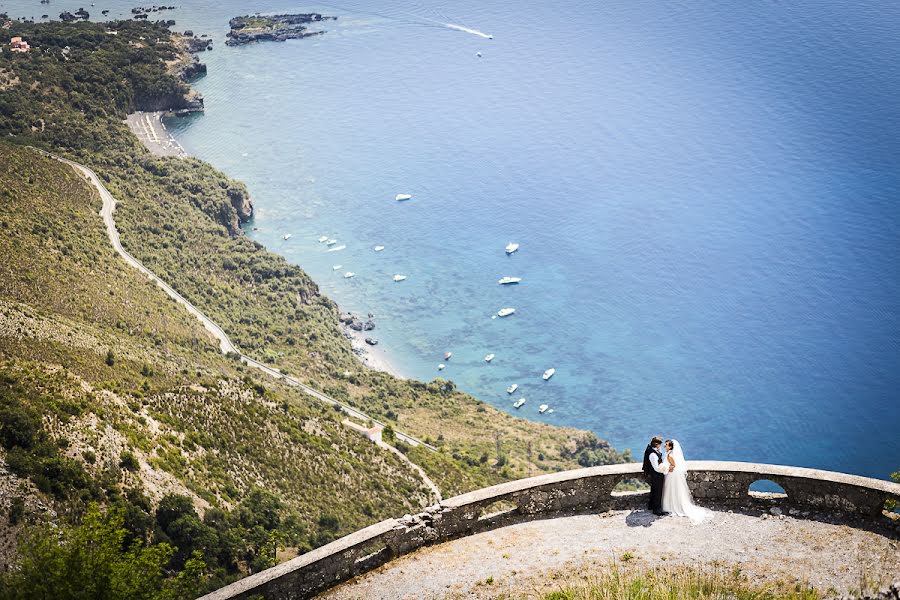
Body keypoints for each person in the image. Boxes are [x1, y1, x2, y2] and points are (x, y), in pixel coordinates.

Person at [660, 439, 712, 522]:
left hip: (671, 475)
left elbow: (673, 465)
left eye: (666, 444)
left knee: (671, 490)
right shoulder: (669, 453)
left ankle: (670, 506)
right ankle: (669, 506)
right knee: (671, 490)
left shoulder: (670, 455)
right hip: (671, 475)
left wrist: (666, 469)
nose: (664, 445)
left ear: (670, 447)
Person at [641, 436, 668, 516]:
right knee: (657, 492)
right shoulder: (653, 454)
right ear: (656, 444)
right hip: (656, 475)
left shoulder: (655, 450)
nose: (661, 445)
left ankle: (652, 506)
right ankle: (657, 510)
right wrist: (664, 469)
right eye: (660, 444)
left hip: (656, 475)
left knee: (654, 490)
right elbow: (656, 468)